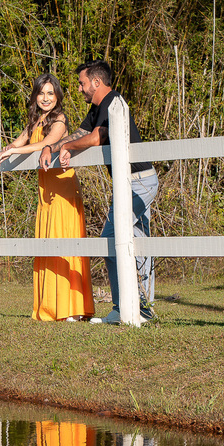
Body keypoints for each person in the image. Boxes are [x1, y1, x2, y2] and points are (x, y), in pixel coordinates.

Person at [38, 60, 158, 324]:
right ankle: (139, 309)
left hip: (139, 181)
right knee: (137, 242)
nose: (80, 89)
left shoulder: (114, 102)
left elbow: (95, 138)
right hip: (128, 182)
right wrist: (51, 147)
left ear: (96, 82)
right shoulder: (98, 107)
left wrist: (66, 148)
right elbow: (80, 133)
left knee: (111, 239)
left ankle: (128, 307)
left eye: (82, 84)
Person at [0, 74, 95, 322]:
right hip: (45, 192)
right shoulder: (35, 121)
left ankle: (72, 308)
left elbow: (47, 143)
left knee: (65, 243)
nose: (46, 98)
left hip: (62, 189)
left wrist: (17, 150)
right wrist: (7, 150)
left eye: (50, 93)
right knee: (48, 244)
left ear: (57, 96)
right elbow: (18, 142)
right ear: (35, 96)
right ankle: (51, 306)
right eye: (41, 93)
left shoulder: (59, 120)